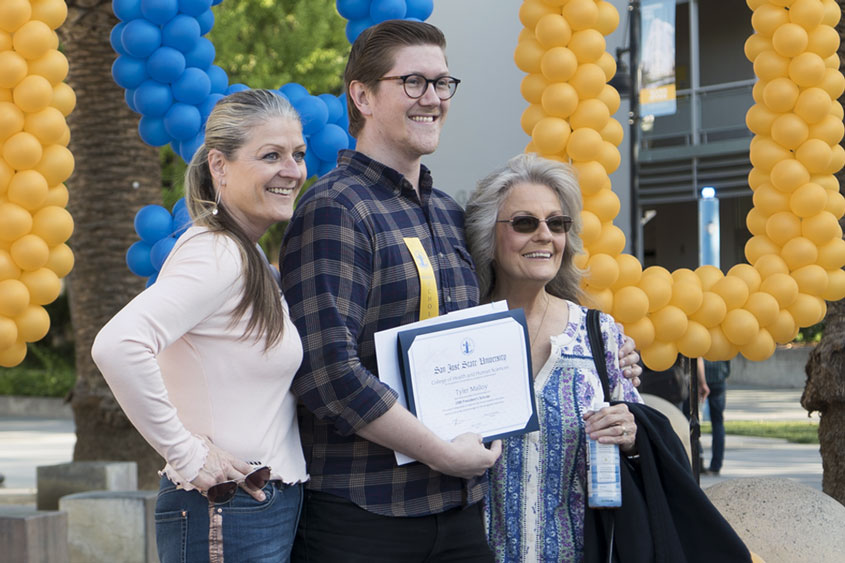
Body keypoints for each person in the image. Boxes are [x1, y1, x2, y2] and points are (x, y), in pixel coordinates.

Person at [280, 20, 640, 562]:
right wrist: (441, 452)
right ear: (362, 95)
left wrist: (604, 355)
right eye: (413, 83)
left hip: (459, 513)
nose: (432, 99)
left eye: (442, 83)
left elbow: (497, 321)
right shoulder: (335, 208)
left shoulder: (448, 213)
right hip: (364, 516)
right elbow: (327, 373)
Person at [92, 89, 308, 562]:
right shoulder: (217, 252)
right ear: (220, 166)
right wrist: (187, 455)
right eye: (271, 155)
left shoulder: (245, 254)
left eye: (298, 154)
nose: (291, 170)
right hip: (228, 508)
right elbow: (117, 344)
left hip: (255, 506)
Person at [465, 154, 642, 562]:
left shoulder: (599, 334)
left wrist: (630, 434)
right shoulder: (459, 333)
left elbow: (638, 445)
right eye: (525, 223)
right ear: (487, 236)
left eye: (556, 223)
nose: (544, 235)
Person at [698, 357, 729, 475]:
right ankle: (716, 465)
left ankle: (698, 456)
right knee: (718, 423)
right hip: (719, 376)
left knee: (690, 419)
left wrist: (702, 381)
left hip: (699, 376)